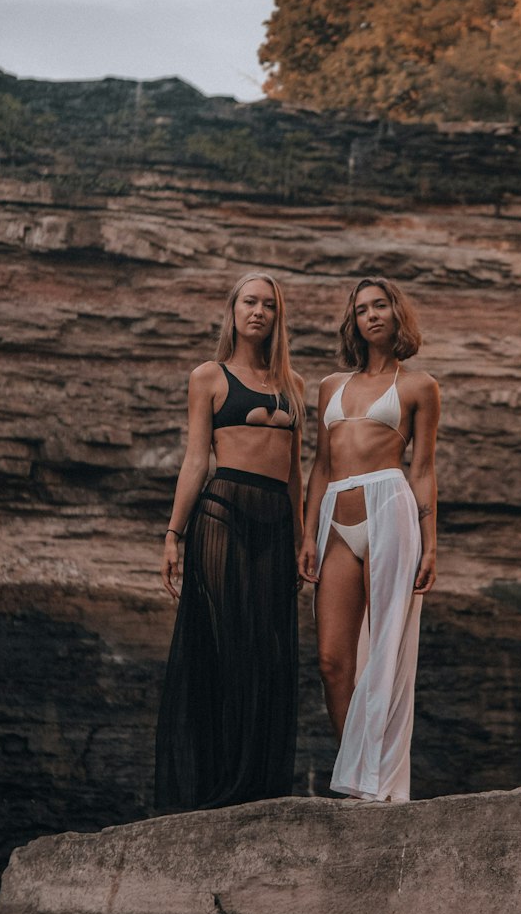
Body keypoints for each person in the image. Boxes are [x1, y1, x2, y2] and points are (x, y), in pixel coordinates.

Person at [155, 272, 305, 813]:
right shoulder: (209, 377)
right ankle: (212, 788)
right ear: (234, 310)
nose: (258, 312)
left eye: (268, 304)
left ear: (277, 316)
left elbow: (294, 475)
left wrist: (302, 538)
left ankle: (256, 786)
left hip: (275, 522)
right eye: (249, 302)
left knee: (269, 652)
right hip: (220, 514)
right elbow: (197, 459)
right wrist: (173, 534)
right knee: (224, 647)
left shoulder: (294, 385)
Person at [298, 276, 439, 802]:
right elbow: (319, 464)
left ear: (397, 314)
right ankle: (357, 780)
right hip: (337, 512)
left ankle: (377, 789)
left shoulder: (419, 386)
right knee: (333, 662)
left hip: (391, 509)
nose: (372, 315)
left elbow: (423, 470)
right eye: (362, 309)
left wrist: (431, 543)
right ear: (353, 321)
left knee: (384, 654)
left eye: (380, 306)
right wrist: (308, 535)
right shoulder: (331, 386)